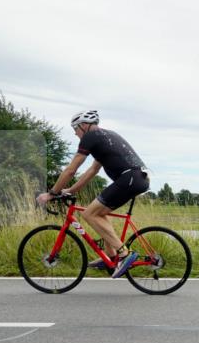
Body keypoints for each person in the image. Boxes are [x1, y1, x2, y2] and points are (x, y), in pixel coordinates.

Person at [37, 111, 149, 278]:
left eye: (75, 129)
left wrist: (51, 193)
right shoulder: (106, 136)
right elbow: (92, 170)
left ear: (84, 125)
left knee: (89, 214)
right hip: (138, 178)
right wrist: (70, 190)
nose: (75, 133)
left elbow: (71, 170)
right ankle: (111, 256)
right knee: (99, 213)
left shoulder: (90, 137)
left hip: (129, 179)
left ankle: (124, 253)